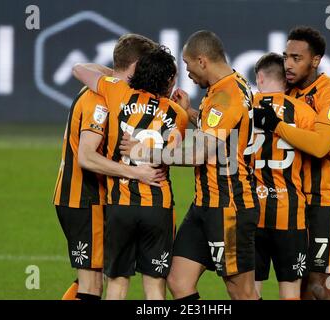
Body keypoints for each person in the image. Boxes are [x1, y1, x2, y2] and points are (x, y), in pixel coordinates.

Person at [121, 30, 260, 300]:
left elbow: (199, 154)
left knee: (241, 291)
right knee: (178, 279)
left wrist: (147, 152)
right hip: (205, 204)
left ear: (202, 60)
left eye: (188, 66)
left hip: (229, 207)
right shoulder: (229, 84)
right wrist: (191, 113)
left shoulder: (226, 96)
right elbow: (221, 129)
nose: (188, 73)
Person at [253, 26, 330, 300]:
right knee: (304, 281)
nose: (288, 64)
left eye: (297, 58)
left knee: (322, 283)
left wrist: (277, 126)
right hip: (295, 199)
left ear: (316, 60)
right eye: (286, 57)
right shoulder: (290, 94)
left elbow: (321, 147)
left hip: (327, 199)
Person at [72, 45, 188, 300]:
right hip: (158, 205)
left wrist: (114, 75)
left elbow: (81, 71)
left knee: (117, 283)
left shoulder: (117, 92)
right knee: (155, 286)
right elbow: (177, 152)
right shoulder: (177, 114)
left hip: (120, 203)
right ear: (169, 81)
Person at [53, 33, 163, 300]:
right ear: (136, 66)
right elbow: (87, 157)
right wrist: (135, 172)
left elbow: (92, 71)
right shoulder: (100, 100)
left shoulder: (107, 90)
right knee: (91, 287)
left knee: (88, 280)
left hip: (84, 197)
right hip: (84, 198)